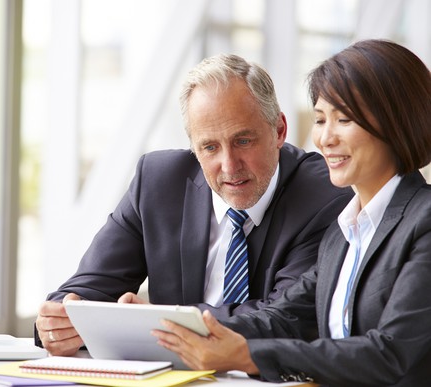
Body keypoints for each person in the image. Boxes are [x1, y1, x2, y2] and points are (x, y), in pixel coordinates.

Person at [153, 39, 431, 386]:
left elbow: (390, 354)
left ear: (398, 123)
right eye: (319, 119)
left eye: (343, 119)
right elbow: (281, 318)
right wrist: (165, 328)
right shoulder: (345, 232)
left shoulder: (424, 221)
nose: (325, 138)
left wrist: (247, 356)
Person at [35, 53, 352, 356]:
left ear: (279, 130)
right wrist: (59, 323)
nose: (229, 166)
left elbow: (287, 319)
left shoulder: (324, 194)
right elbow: (87, 290)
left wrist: (165, 323)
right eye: (210, 147)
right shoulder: (158, 182)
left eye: (243, 141)